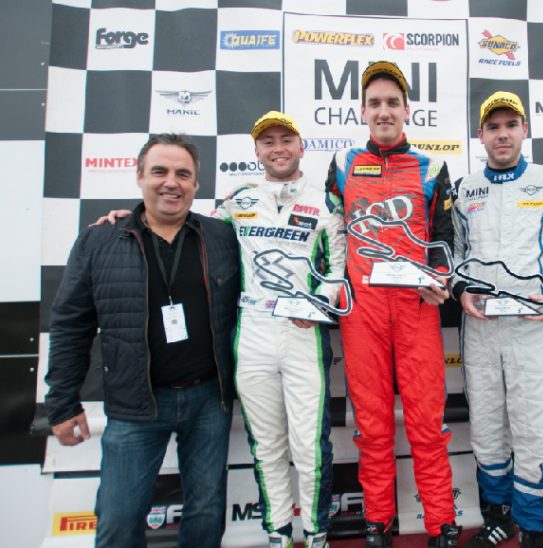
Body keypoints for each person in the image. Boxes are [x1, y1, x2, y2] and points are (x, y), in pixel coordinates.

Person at [45, 134, 241, 548]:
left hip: (209, 398)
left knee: (206, 512)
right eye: (160, 172)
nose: (172, 182)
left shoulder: (222, 237)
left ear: (196, 184)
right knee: (118, 520)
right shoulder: (100, 241)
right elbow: (70, 325)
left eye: (183, 174)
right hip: (136, 404)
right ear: (138, 176)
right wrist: (61, 403)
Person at [450, 92, 543, 548]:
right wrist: (459, 289)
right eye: (492, 127)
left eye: (510, 125)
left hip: (533, 326)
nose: (502, 134)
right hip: (479, 326)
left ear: (524, 130)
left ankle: (534, 526)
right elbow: (451, 253)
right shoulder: (464, 188)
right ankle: (498, 517)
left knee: (532, 429)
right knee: (488, 427)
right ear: (480, 135)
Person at [325, 61, 459, 547]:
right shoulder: (341, 166)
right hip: (361, 312)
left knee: (427, 423)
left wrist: (440, 279)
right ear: (363, 111)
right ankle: (377, 521)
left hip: (416, 310)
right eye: (375, 103)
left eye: (392, 103)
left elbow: (445, 239)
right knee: (373, 426)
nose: (384, 111)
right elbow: (327, 235)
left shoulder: (431, 166)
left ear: (407, 111)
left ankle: (442, 521)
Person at [213, 111, 345, 548]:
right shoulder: (237, 199)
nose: (278, 148)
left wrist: (320, 306)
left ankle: (317, 534)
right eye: (268, 142)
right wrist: (126, 216)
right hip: (251, 331)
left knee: (309, 447)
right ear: (257, 152)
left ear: (301, 146)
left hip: (301, 332)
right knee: (266, 446)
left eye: (286, 139)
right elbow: (192, 233)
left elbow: (339, 271)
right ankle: (277, 534)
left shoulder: (325, 202)